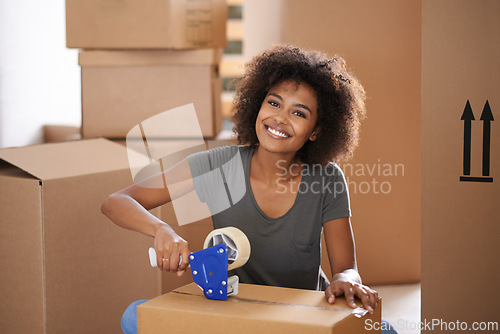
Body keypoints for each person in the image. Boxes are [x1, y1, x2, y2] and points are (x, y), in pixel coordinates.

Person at [101, 45, 397, 334]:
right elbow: (117, 201)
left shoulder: (327, 179)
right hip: (235, 314)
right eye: (274, 103)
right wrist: (160, 229)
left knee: (383, 330)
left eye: (300, 113)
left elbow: (345, 268)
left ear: (317, 131)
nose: (280, 118)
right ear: (258, 104)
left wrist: (347, 280)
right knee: (134, 316)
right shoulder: (217, 164)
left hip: (302, 318)